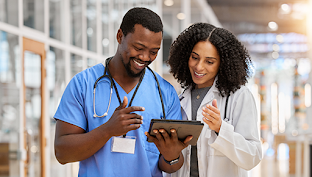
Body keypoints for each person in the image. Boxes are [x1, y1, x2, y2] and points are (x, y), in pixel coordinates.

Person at [54, 7, 192, 177]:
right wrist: (107, 130)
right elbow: (62, 153)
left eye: (153, 52)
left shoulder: (165, 93)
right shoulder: (83, 84)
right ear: (120, 36)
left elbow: (170, 165)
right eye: (138, 48)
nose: (145, 57)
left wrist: (172, 156)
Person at [166, 23, 262, 177]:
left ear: (222, 64)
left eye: (209, 62)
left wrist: (220, 128)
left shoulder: (239, 96)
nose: (199, 67)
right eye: (195, 58)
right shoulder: (181, 97)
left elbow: (252, 156)